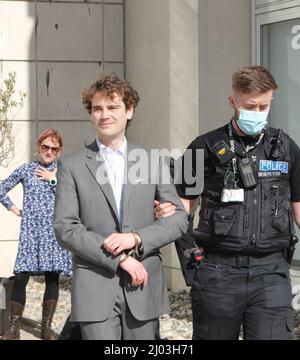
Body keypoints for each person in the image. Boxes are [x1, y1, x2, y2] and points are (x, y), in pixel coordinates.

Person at [155, 66, 300, 340]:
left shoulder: (286, 148)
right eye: (250, 106)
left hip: (271, 273)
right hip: (218, 272)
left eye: (263, 106)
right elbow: (180, 212)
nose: (257, 113)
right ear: (233, 102)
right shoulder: (205, 147)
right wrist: (192, 265)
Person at [53, 73, 189, 340]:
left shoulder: (151, 160)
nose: (104, 114)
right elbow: (66, 228)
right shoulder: (71, 166)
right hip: (95, 286)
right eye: (97, 108)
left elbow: (178, 220)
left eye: (113, 107)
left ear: (129, 110)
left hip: (143, 285)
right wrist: (120, 259)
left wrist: (136, 238)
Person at [0, 128, 72, 340]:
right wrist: (14, 209)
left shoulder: (63, 171)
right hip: (31, 233)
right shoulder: (26, 170)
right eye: (45, 147)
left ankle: (46, 328)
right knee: (21, 277)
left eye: (54, 148)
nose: (49, 151)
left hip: (53, 233)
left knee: (52, 278)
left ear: (59, 151)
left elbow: (72, 197)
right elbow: (1, 188)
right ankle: (13, 329)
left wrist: (52, 179)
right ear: (38, 147)